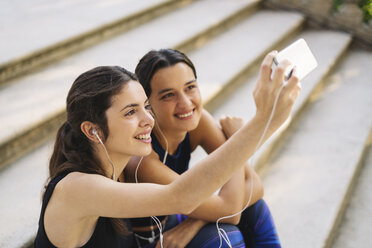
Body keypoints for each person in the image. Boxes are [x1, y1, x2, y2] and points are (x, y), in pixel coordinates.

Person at [34, 50, 300, 247]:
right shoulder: (77, 188)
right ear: (92, 130)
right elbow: (182, 197)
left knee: (250, 213)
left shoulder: (115, 168)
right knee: (223, 240)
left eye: (145, 107)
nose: (148, 120)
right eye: (130, 112)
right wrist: (263, 121)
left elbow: (228, 198)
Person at [126, 49, 294, 247]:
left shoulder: (195, 120)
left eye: (190, 87)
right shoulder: (143, 160)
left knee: (254, 207)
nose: (186, 103)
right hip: (150, 242)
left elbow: (255, 186)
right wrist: (237, 140)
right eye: (168, 95)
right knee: (225, 237)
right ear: (148, 105)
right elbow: (230, 211)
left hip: (177, 218)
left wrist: (193, 224)